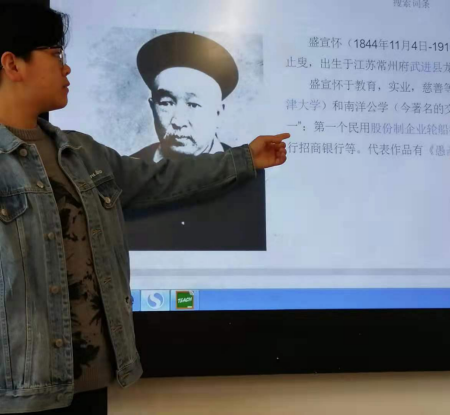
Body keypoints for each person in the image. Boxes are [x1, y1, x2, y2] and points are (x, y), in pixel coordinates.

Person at [0, 4, 288, 414]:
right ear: (13, 64)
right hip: (21, 392)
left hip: (91, 381)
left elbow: (160, 179)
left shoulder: (80, 152)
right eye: (54, 54)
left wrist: (244, 158)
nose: (66, 68)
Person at [126, 32, 267, 251]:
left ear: (219, 113)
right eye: (166, 103)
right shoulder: (128, 174)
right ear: (152, 107)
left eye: (193, 105)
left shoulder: (253, 178)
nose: (178, 121)